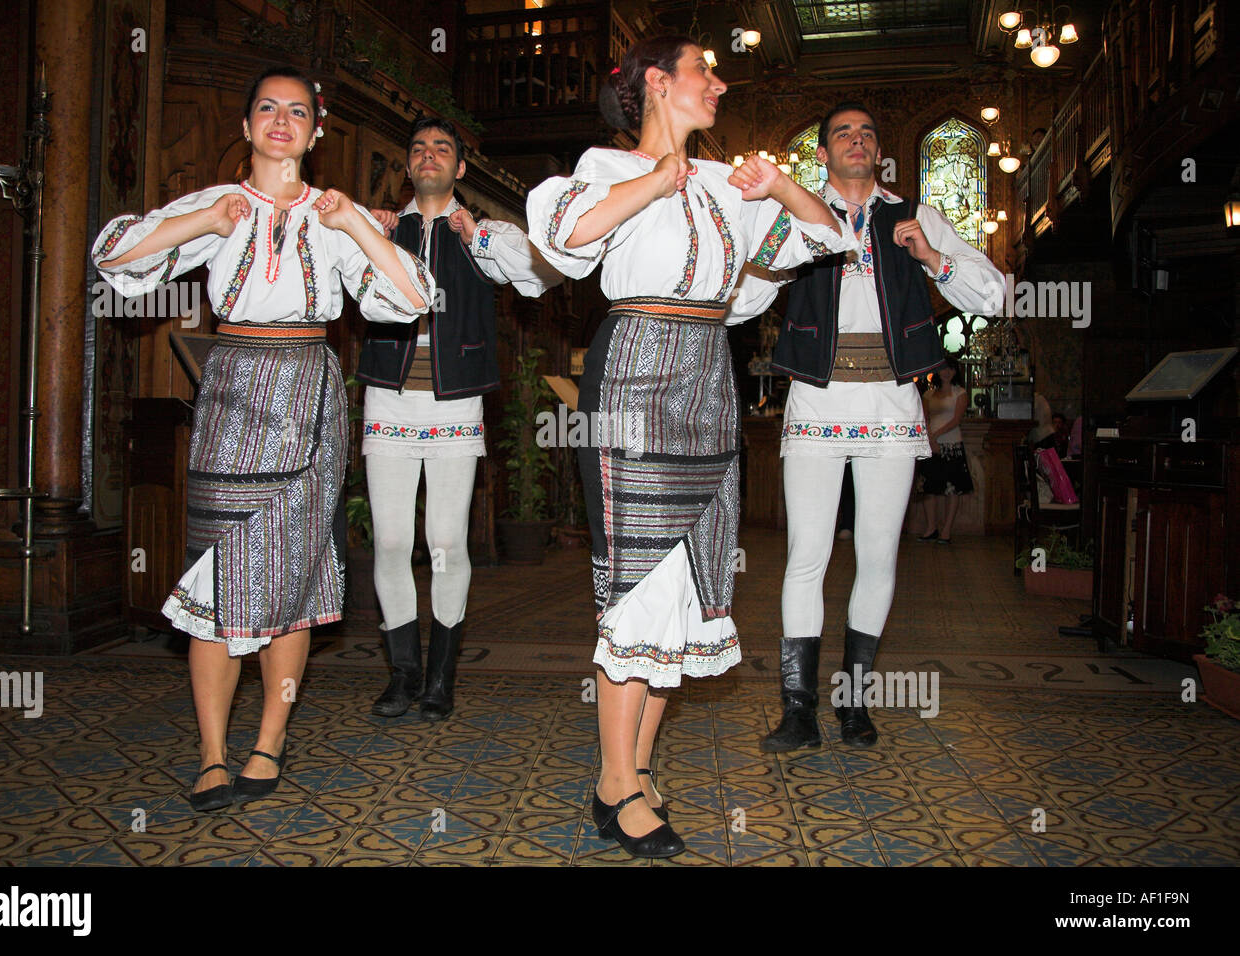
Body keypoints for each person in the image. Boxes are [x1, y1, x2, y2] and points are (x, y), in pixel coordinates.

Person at [527, 36, 853, 858]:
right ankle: (614, 781)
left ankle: (632, 770)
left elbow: (828, 236)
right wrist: (659, 176)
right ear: (656, 84)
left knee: (684, 586)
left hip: (710, 374)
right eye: (704, 69)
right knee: (637, 582)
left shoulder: (724, 181)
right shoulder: (603, 167)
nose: (721, 80)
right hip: (635, 368)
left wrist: (778, 185)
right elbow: (566, 241)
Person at [92, 67, 433, 812]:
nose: (282, 120)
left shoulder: (335, 213)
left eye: (298, 112)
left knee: (296, 575)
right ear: (247, 128)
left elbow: (412, 299)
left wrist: (355, 229)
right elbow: (113, 262)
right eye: (267, 109)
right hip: (234, 390)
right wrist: (201, 227)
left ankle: (268, 740)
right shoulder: (216, 204)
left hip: (309, 393)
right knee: (217, 569)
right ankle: (211, 754)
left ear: (315, 133)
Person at [739, 102, 1005, 754]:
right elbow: (741, 302)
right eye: (842, 134)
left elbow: (996, 295)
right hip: (817, 406)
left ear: (877, 152)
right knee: (807, 555)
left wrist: (934, 256)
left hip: (890, 408)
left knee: (879, 555)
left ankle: (854, 706)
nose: (856, 141)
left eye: (866, 133)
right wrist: (783, 247)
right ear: (822, 155)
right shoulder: (799, 213)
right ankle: (797, 713)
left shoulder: (912, 216)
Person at [355, 116, 560, 722]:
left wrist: (479, 238)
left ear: (459, 167)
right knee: (391, 542)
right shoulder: (379, 228)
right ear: (408, 164)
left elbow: (536, 278)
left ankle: (440, 678)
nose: (428, 156)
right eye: (418, 148)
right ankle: (403, 674)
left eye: (442, 149)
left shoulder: (483, 232)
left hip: (454, 402)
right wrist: (375, 237)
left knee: (444, 543)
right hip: (389, 400)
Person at [918, 359, 973, 543]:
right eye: (943, 369)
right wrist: (930, 438)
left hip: (952, 444)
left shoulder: (961, 393)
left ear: (955, 371)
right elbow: (924, 419)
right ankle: (930, 527)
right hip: (931, 445)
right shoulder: (928, 394)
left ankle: (946, 530)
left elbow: (956, 420)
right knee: (929, 489)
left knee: (953, 489)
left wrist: (936, 435)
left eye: (950, 369)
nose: (946, 372)